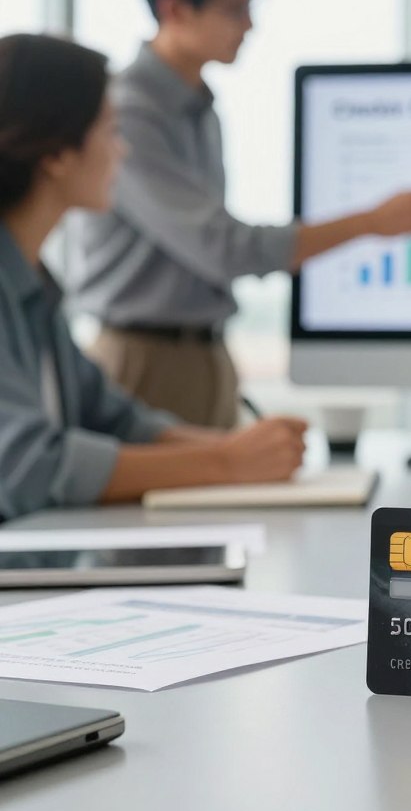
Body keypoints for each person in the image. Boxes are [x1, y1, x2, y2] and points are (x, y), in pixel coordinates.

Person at [69, 0, 411, 427]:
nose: (250, 25)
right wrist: (371, 222)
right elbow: (224, 248)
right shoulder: (131, 113)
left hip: (203, 356)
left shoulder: (198, 106)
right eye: (235, 8)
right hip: (146, 362)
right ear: (174, 9)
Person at [0, 33, 310, 520]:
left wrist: (240, 449)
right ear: (56, 154)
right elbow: (27, 465)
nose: (122, 152)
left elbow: (114, 416)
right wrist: (225, 462)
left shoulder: (32, 282)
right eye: (110, 131)